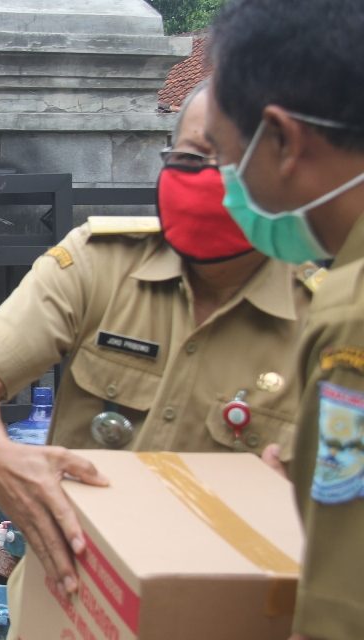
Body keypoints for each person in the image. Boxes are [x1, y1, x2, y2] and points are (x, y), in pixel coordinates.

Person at [0, 80, 318, 614]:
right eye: (191, 156)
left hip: (216, 614)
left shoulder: (324, 320)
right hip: (70, 603)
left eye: (231, 159)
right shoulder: (100, 262)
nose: (207, 175)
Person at [205, 1, 364, 638]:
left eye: (219, 153)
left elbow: (341, 608)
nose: (220, 182)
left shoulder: (350, 311)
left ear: (282, 139)